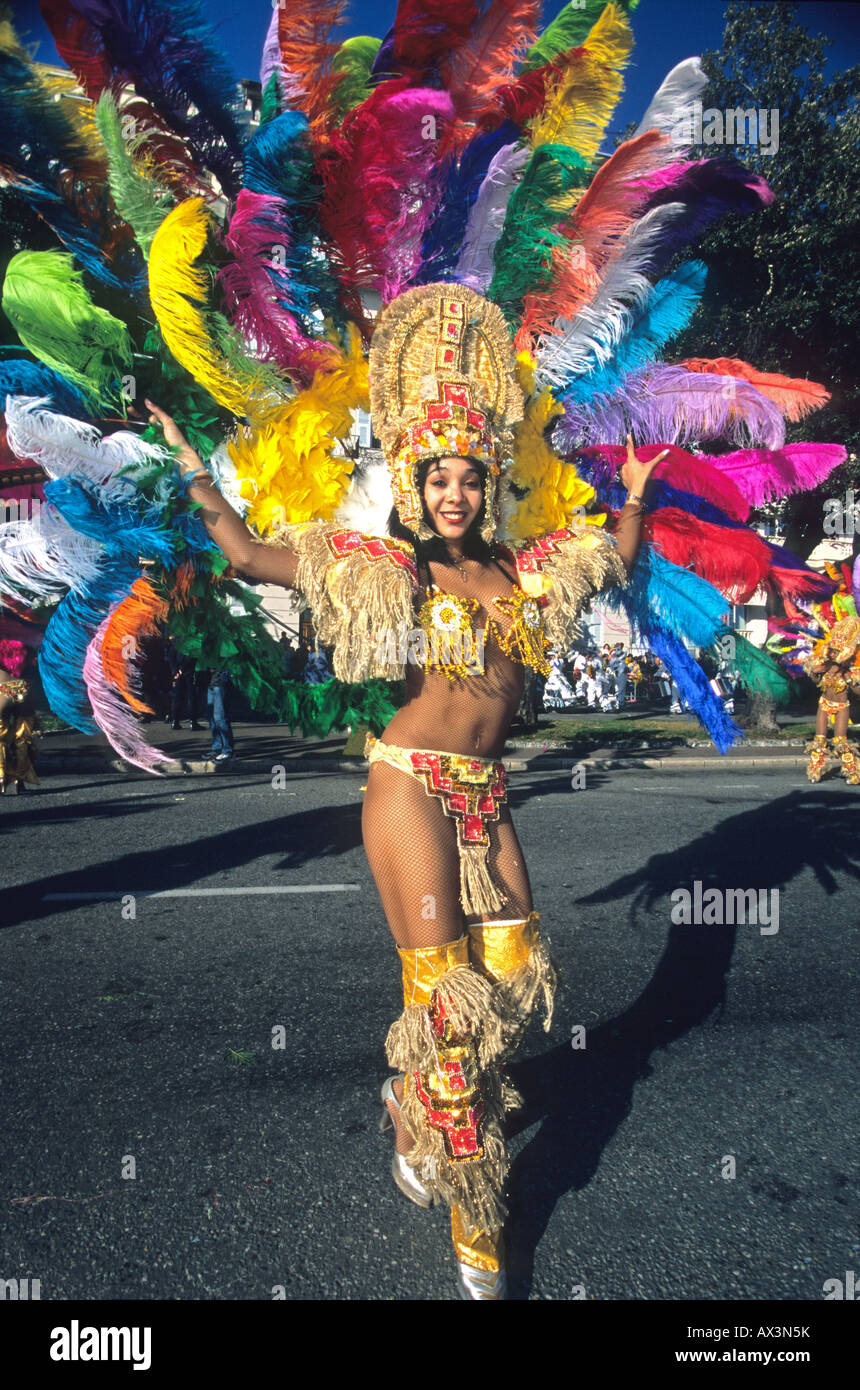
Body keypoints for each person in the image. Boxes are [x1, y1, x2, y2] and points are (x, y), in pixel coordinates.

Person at [144, 283, 665, 1299]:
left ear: (485, 485)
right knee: (449, 1004)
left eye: (469, 479)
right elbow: (253, 554)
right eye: (436, 480)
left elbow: (614, 560)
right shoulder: (391, 572)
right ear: (414, 485)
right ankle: (477, 1219)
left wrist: (636, 490)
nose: (453, 494)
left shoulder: (525, 571)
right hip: (410, 786)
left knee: (516, 981)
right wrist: (192, 474)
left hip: (485, 790)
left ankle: (415, 1100)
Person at [804, 613, 860, 783]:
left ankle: (853, 773)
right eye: (833, 651)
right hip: (824, 704)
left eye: (837, 653)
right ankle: (815, 772)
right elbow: (815, 681)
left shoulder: (848, 673)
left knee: (840, 741)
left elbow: (858, 693)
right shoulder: (825, 668)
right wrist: (814, 673)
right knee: (819, 740)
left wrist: (849, 679)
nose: (834, 654)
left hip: (842, 706)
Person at [0, 639, 39, 794]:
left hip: (2, 688)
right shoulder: (26, 635)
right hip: (24, 687)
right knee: (23, 737)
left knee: (0, 735)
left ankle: (1, 776)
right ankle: (20, 779)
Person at [206, 665, 234, 763]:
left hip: (220, 682)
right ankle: (217, 749)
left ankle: (227, 750)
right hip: (212, 682)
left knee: (220, 717)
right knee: (211, 718)